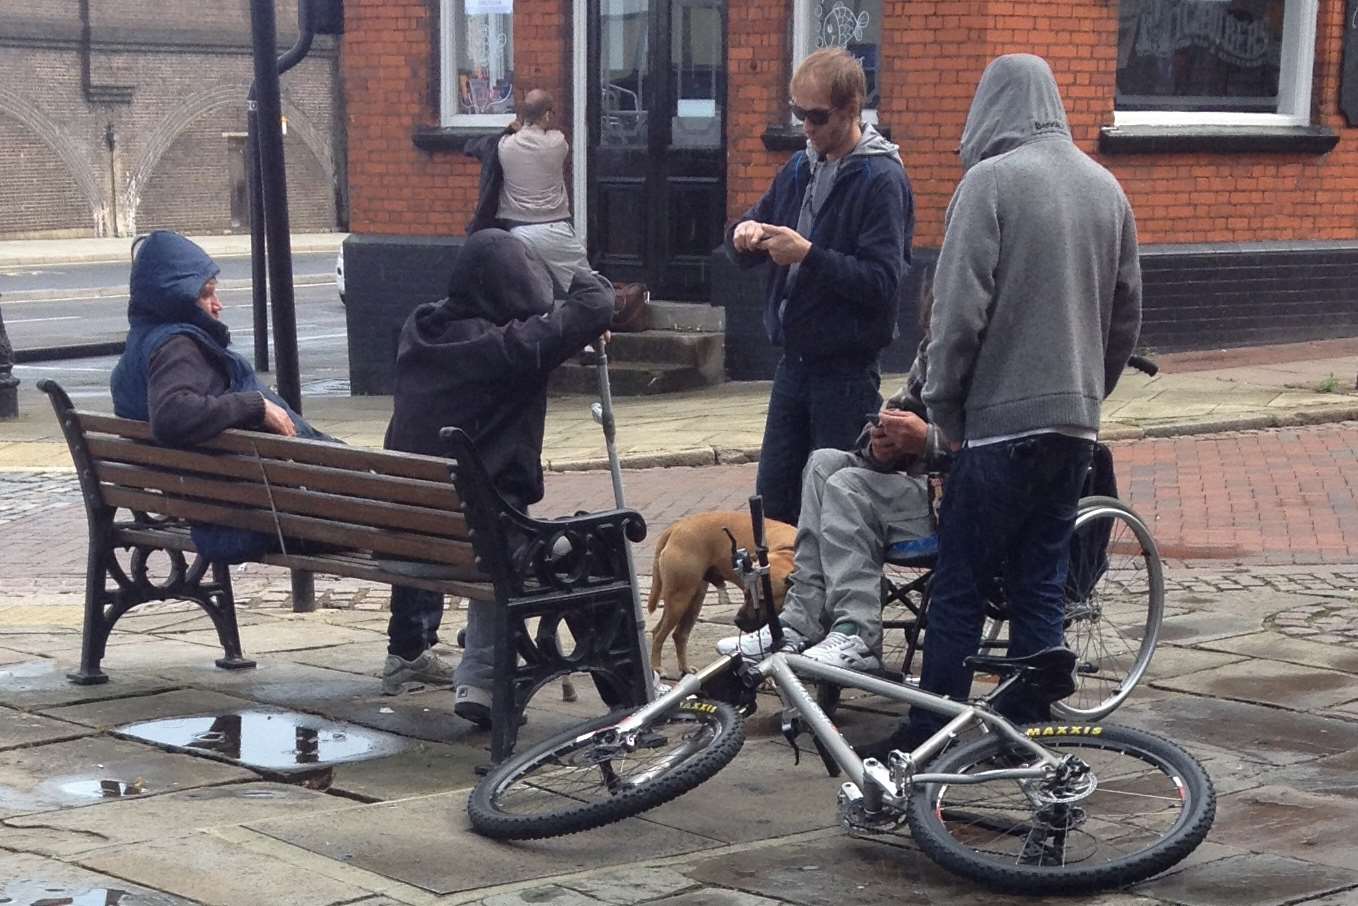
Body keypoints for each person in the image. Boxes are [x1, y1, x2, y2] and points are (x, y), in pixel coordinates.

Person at [860, 54, 1142, 759]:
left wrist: (944, 410)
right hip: (1073, 427)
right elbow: (1127, 313)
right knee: (1040, 576)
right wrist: (1088, 391)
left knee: (959, 583)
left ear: (988, 107)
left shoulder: (990, 183)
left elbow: (957, 316)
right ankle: (1031, 724)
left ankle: (930, 732)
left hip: (998, 429)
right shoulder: (1106, 188)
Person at [109, 230, 458, 698]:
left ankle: (420, 646)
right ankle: (413, 653)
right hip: (261, 513)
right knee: (420, 516)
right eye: (206, 295)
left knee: (403, 500)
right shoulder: (178, 346)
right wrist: (254, 405)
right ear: (173, 298)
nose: (217, 305)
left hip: (230, 504)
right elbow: (174, 416)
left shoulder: (143, 346)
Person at [383, 229, 614, 725]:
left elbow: (540, 333)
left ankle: (482, 683)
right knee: (590, 546)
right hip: (485, 541)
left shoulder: (418, 331)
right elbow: (594, 305)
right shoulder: (507, 351)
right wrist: (571, 265)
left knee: (492, 526)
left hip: (407, 536)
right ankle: (630, 689)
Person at [725, 47, 914, 526]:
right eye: (797, 113)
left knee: (835, 505)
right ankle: (777, 599)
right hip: (794, 362)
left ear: (851, 110)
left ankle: (833, 601)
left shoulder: (881, 179)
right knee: (774, 498)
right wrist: (744, 235)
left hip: (846, 371)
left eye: (816, 115)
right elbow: (757, 220)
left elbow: (883, 282)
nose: (805, 127)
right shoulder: (799, 167)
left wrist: (808, 255)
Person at [714, 332, 946, 672]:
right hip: (917, 489)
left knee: (847, 486)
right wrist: (880, 445)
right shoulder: (935, 345)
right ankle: (799, 621)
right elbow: (897, 413)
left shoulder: (991, 350)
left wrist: (927, 440)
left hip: (957, 498)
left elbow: (991, 447)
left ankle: (858, 634)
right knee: (824, 463)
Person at [494, 89, 592, 294]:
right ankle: (598, 323)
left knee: (528, 293)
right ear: (547, 115)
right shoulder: (557, 143)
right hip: (553, 228)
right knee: (588, 288)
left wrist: (515, 129)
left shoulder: (504, 146)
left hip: (516, 230)